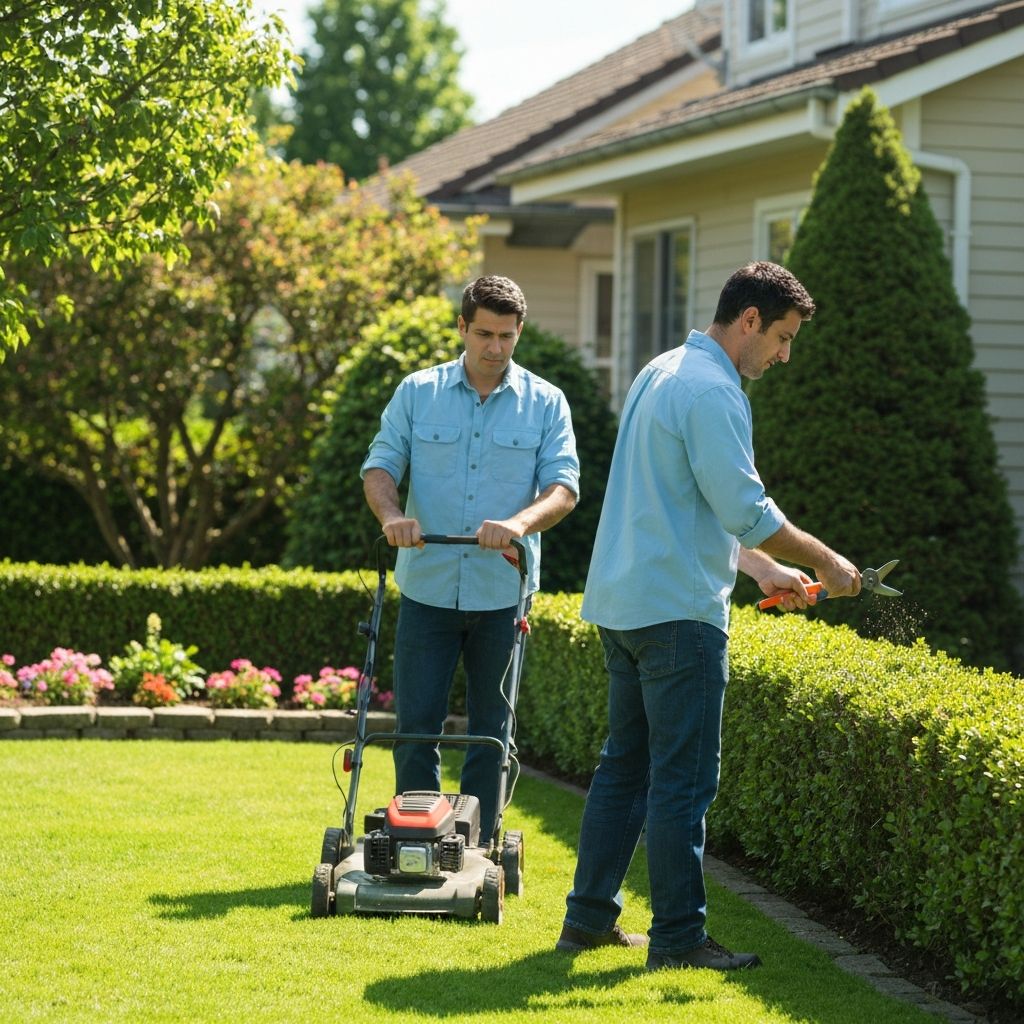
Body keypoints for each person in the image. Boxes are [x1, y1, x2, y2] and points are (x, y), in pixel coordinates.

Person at [555, 261, 861, 971]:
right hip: (677, 618)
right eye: (782, 337)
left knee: (623, 770)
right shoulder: (716, 391)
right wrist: (825, 562)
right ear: (749, 320)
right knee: (684, 784)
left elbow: (685, 502)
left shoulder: (660, 372)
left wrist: (764, 569)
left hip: (625, 606)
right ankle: (680, 940)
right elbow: (747, 511)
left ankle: (588, 921)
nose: (784, 356)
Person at [361, 275, 579, 845]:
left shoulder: (546, 402)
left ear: (519, 332)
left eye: (506, 336)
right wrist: (391, 518)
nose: (494, 348)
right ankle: (418, 840)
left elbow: (563, 487)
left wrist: (518, 525)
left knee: (492, 729)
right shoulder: (417, 392)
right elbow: (380, 466)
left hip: (502, 593)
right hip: (428, 588)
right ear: (461, 327)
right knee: (415, 728)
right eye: (483, 333)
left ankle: (476, 846)